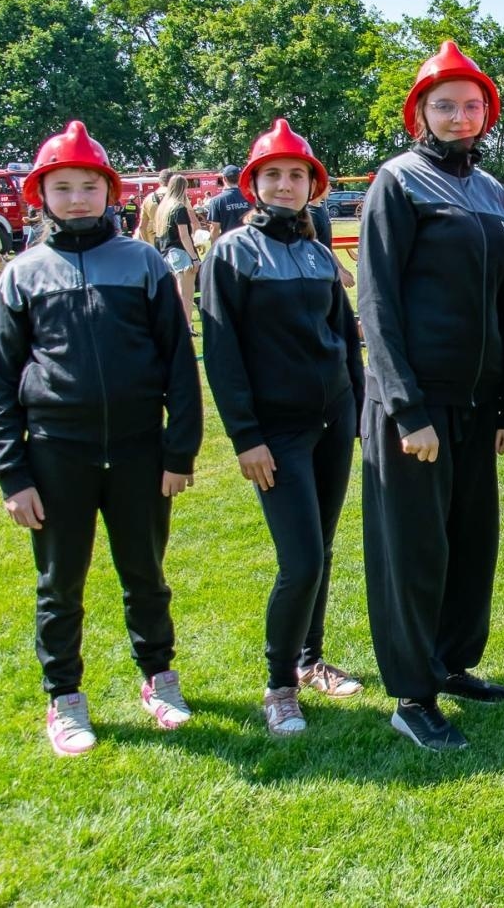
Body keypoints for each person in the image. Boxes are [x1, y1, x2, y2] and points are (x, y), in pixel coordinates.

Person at [0, 121, 202, 756]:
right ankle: (65, 697)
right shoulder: (21, 275)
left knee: (146, 573)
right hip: (55, 455)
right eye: (63, 187)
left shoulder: (144, 265)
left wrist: (177, 450)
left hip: (139, 452)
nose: (77, 199)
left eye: (89, 186)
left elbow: (177, 367)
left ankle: (159, 678)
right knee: (60, 584)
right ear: (41, 194)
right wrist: (12, 474)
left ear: (110, 192)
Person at [358, 40, 504, 751]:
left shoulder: (491, 191)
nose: (460, 116)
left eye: (471, 105)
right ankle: (411, 691)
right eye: (445, 105)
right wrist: (407, 410)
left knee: (470, 543)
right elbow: (377, 302)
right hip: (417, 410)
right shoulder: (396, 184)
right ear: (419, 112)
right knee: (415, 548)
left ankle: (451, 663)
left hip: (474, 406)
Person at [200, 120, 366, 736]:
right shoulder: (231, 254)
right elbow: (222, 355)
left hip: (333, 421)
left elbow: (343, 334)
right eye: (274, 174)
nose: (287, 185)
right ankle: (278, 686)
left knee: (320, 551)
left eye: (297, 175)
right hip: (276, 435)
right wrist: (246, 436)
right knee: (299, 559)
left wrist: (361, 404)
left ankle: (309, 660)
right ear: (253, 184)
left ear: (312, 184)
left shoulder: (319, 251)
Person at [154, 175, 200, 333]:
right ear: (183, 188)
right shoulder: (179, 208)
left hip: (167, 253)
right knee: (186, 294)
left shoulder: (163, 208)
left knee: (177, 293)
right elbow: (184, 236)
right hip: (180, 253)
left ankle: (179, 325)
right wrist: (194, 257)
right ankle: (186, 326)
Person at [204, 165, 253, 241]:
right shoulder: (250, 197)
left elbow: (215, 228)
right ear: (239, 178)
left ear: (224, 179)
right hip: (249, 242)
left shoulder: (216, 201)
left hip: (229, 244)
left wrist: (214, 248)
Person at [135, 168, 172, 248]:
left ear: (159, 181)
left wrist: (148, 246)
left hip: (154, 242)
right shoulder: (178, 196)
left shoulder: (148, 198)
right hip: (173, 244)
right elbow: (192, 221)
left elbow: (142, 227)